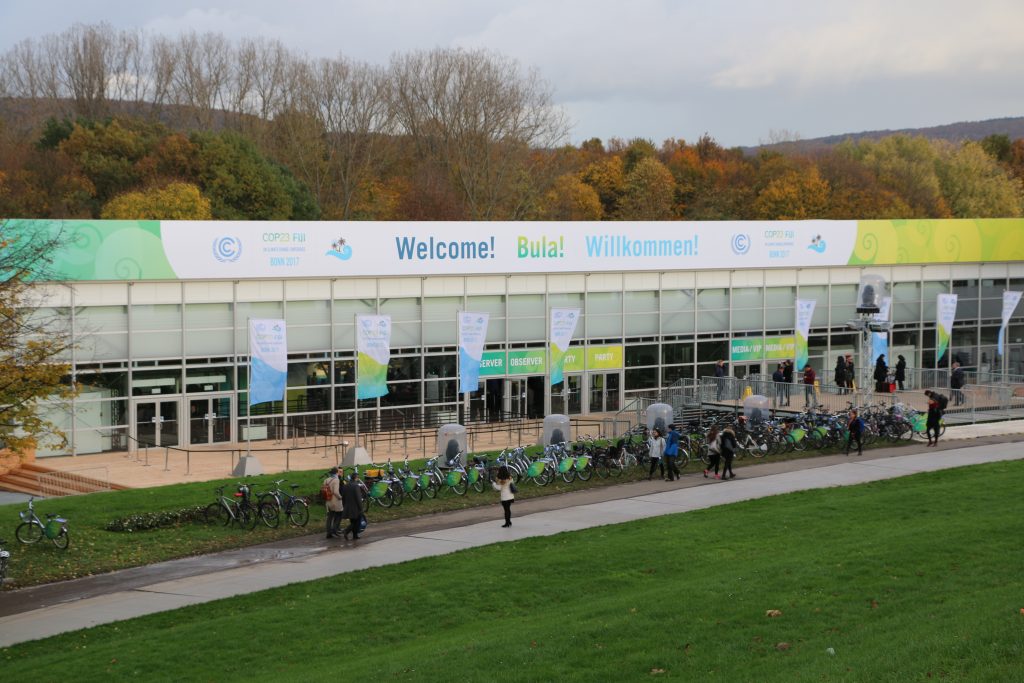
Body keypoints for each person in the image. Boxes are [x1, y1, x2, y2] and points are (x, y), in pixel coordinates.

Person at [340, 470, 365, 541]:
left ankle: (355, 535)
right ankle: (346, 531)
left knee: (353, 521)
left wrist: (344, 505)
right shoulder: (356, 486)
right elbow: (358, 498)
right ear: (356, 478)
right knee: (356, 522)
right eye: (358, 477)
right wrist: (361, 508)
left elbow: (343, 497)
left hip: (348, 507)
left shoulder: (346, 485)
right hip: (355, 508)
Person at [323, 467, 343, 539]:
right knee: (339, 515)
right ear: (336, 473)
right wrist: (341, 497)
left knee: (330, 517)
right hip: (335, 501)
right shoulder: (336, 480)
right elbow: (335, 492)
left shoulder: (326, 480)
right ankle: (335, 529)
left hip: (328, 501)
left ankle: (328, 533)